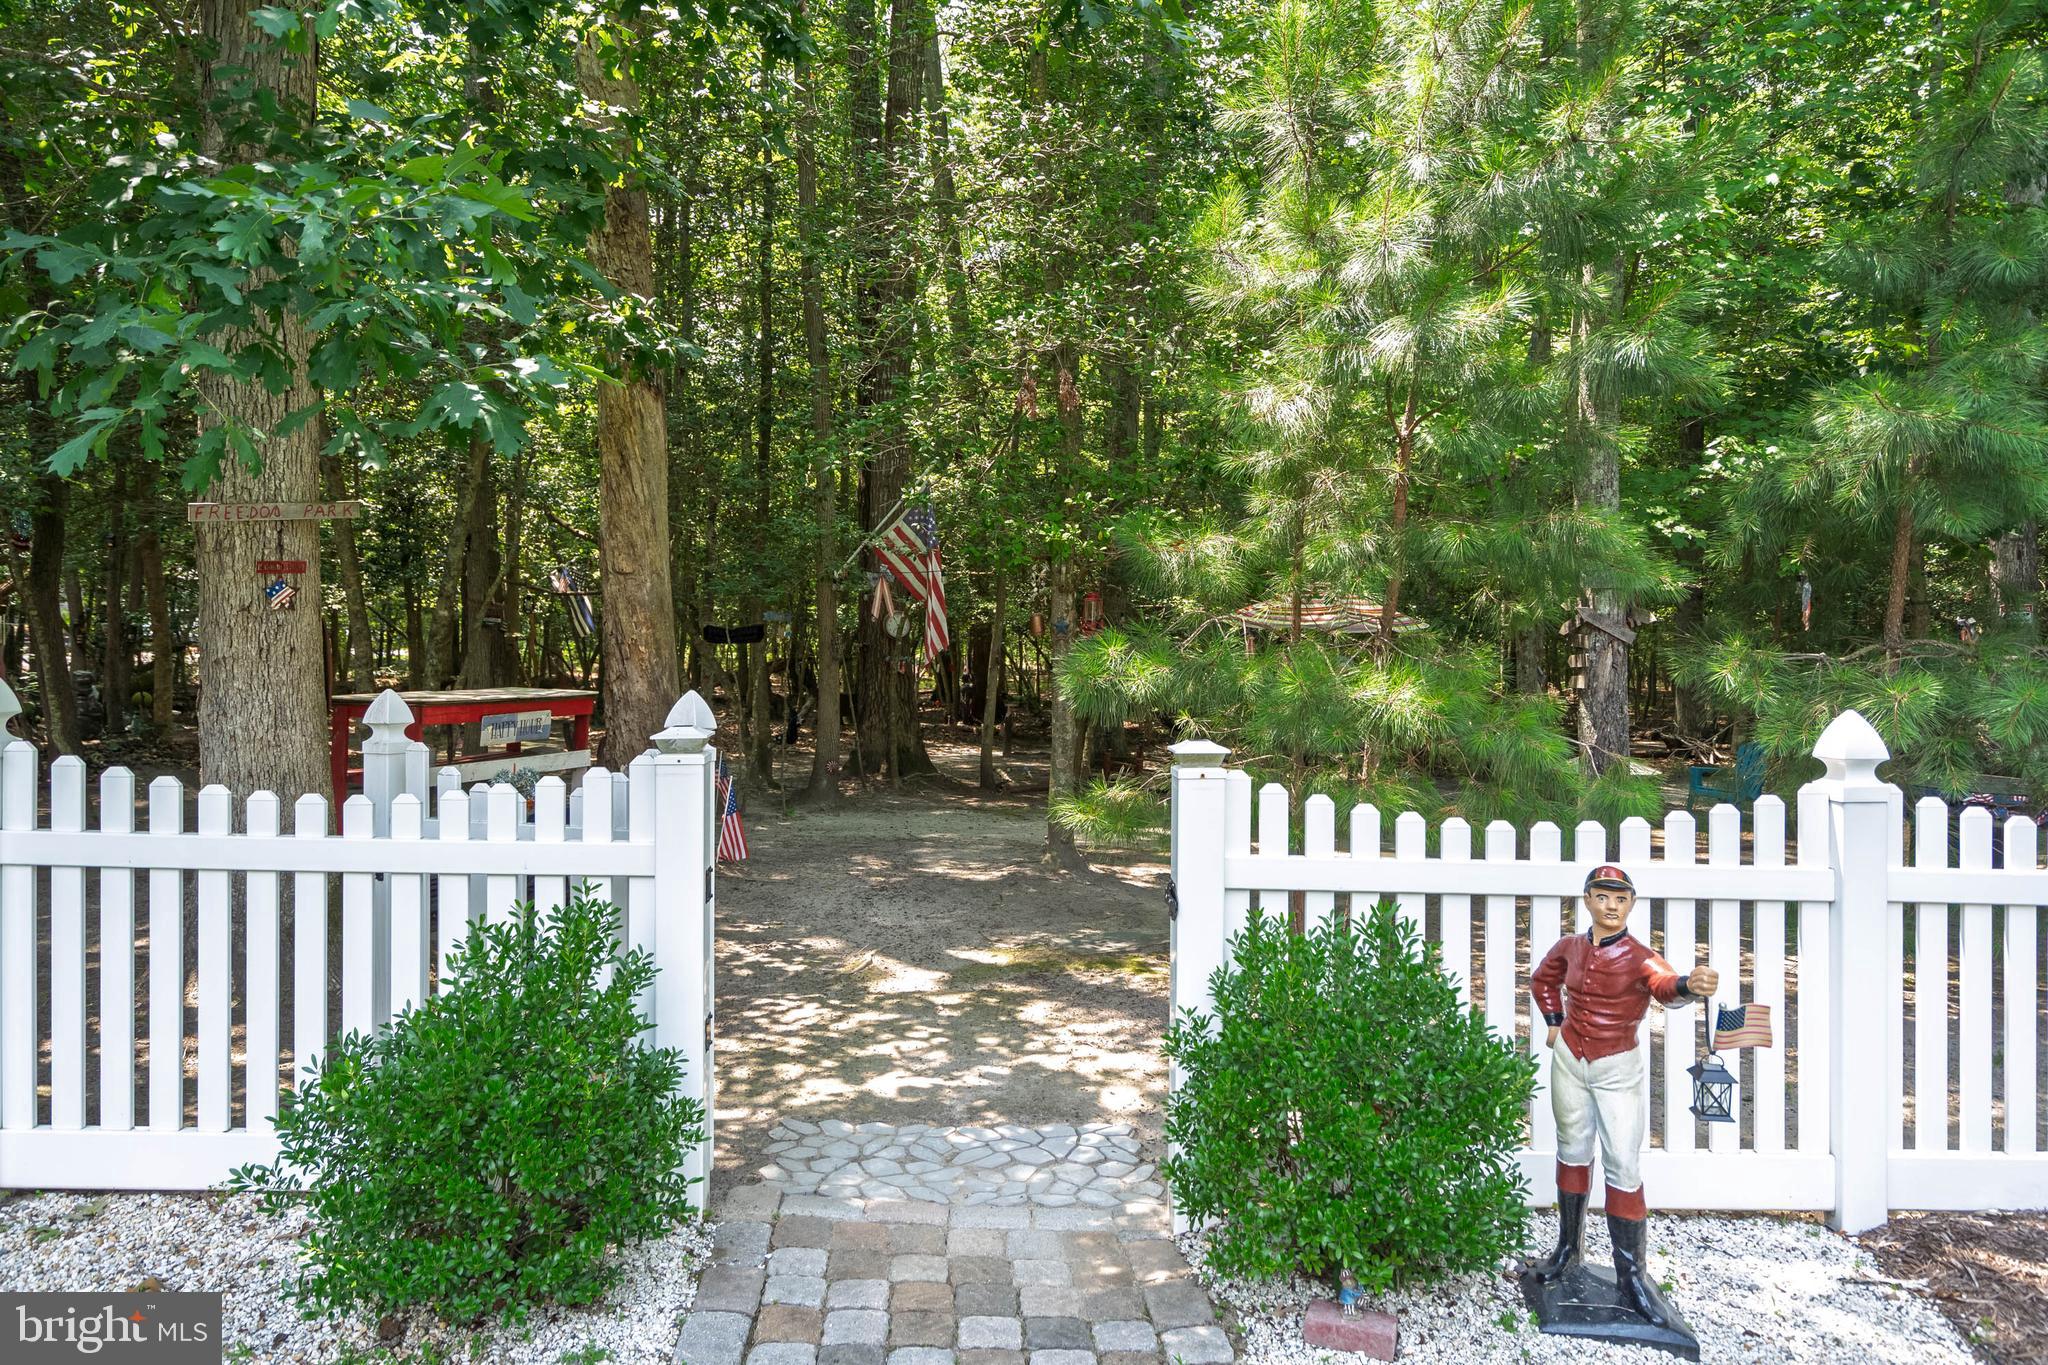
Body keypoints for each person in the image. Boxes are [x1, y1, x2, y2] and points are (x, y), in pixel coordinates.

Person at [1524, 864, 1718, 1329]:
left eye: (1621, 899)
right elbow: (1541, 979)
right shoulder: (1569, 947)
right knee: (1571, 1152)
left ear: (1630, 904)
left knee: (1623, 1166)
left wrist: (1691, 984)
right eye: (1602, 897)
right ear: (1587, 900)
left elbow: (1666, 987)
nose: (1611, 907)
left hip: (1616, 1068)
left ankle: (1632, 1277)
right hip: (1571, 1060)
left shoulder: (1639, 956)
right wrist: (1554, 1023)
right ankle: (1568, 1249)